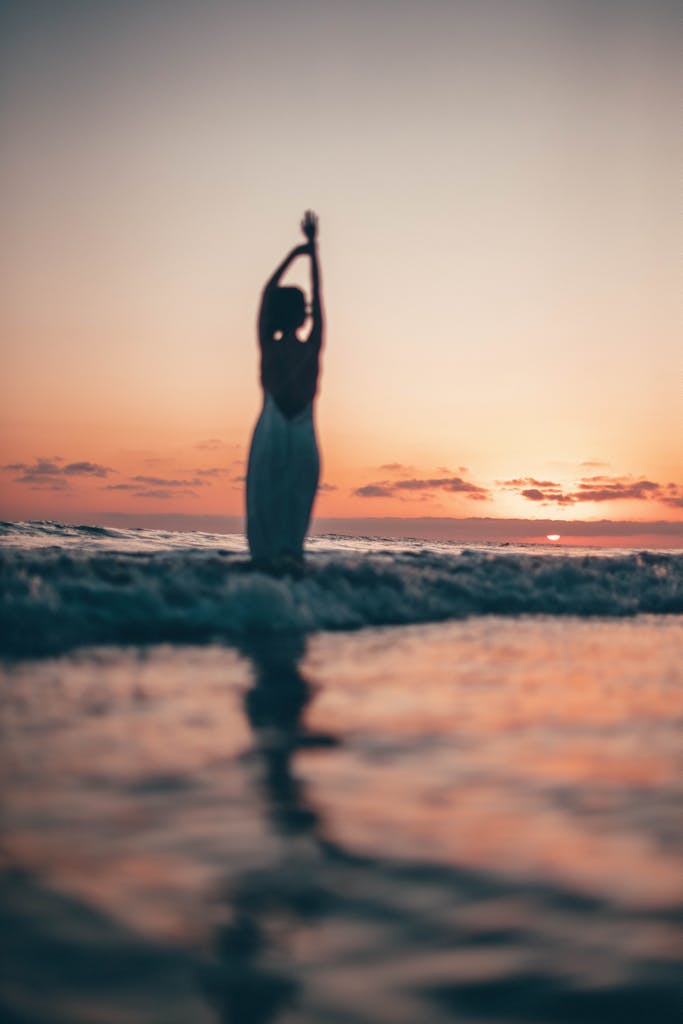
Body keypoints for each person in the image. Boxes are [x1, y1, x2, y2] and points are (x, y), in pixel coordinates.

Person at [246, 211, 324, 570]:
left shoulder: (268, 345)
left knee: (264, 540)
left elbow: (265, 293)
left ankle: (269, 607)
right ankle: (294, 607)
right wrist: (314, 251)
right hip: (303, 440)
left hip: (272, 436)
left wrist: (297, 253)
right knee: (292, 543)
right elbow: (320, 298)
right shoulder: (312, 346)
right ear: (304, 315)